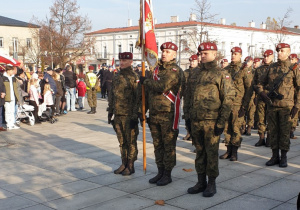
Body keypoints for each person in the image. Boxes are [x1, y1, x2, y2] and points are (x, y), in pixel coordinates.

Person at [186, 42, 234, 197]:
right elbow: (188, 96)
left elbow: (228, 99)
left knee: (211, 153)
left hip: (212, 121)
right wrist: (187, 117)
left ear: (215, 54)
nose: (202, 56)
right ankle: (201, 182)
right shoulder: (195, 73)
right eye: (200, 54)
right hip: (196, 120)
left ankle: (211, 183)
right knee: (199, 152)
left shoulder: (221, 74)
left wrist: (221, 122)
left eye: (205, 53)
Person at [140, 42, 184, 186]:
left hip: (168, 115)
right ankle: (160, 171)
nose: (164, 53)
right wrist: (143, 111)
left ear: (174, 54)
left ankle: (167, 174)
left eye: (167, 51)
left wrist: (145, 81)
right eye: (163, 51)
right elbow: (149, 92)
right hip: (154, 113)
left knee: (168, 146)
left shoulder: (175, 70)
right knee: (158, 145)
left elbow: (162, 87)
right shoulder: (156, 70)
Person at [257, 43, 300, 168]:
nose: (279, 53)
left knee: (285, 133)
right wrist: (262, 93)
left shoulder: (293, 69)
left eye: (282, 51)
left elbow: (299, 89)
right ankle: (274, 156)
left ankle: (284, 157)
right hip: (272, 106)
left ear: (288, 52)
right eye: (278, 51)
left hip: (287, 107)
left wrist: (297, 106)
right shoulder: (271, 68)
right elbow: (259, 83)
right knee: (273, 132)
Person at [108, 52, 140, 176]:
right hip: (118, 114)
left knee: (131, 141)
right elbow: (112, 95)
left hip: (128, 115)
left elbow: (138, 98)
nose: (121, 62)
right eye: (120, 60)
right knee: (122, 141)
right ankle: (124, 162)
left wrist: (135, 116)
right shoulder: (117, 76)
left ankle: (130, 165)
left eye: (124, 61)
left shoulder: (133, 77)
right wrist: (110, 111)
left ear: (131, 62)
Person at [219, 47, 252, 161]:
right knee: (227, 128)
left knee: (236, 128)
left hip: (238, 104)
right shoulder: (225, 69)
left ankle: (234, 152)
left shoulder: (244, 69)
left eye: (236, 54)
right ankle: (228, 150)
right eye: (232, 53)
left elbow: (249, 89)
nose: (233, 56)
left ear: (240, 55)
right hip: (226, 103)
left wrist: (245, 106)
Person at [253, 50, 274, 147]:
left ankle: (269, 138)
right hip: (261, 97)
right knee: (261, 119)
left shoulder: (275, 68)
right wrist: (258, 94)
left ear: (272, 56)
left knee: (270, 119)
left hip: (271, 98)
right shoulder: (259, 69)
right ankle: (261, 138)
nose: (266, 58)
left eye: (268, 56)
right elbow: (255, 83)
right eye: (264, 56)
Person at [182, 54, 198, 141]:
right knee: (186, 115)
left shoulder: (199, 71)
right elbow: (182, 84)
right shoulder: (186, 72)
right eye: (191, 61)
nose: (192, 63)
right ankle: (188, 132)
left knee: (193, 116)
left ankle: (194, 134)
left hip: (195, 98)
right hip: (186, 97)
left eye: (194, 61)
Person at [2, 65, 21, 130]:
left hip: (13, 96)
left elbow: (16, 88)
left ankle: (12, 123)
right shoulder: (3, 78)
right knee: (8, 111)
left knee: (13, 111)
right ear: (8, 71)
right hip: (7, 97)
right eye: (12, 70)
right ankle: (8, 124)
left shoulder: (13, 78)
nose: (13, 72)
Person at [289, 53, 299, 139]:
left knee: (295, 114)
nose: (291, 61)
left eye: (292, 60)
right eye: (290, 60)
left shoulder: (297, 70)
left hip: (297, 96)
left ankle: (292, 130)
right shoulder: (289, 69)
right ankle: (290, 130)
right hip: (290, 95)